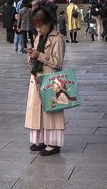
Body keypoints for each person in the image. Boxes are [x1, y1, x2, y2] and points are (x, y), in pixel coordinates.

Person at [25, 8, 66, 156]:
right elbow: (34, 58)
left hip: (50, 79)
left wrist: (40, 55)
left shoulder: (58, 39)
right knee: (37, 112)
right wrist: (31, 56)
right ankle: (40, 140)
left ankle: (53, 144)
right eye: (36, 26)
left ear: (49, 23)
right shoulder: (38, 37)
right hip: (36, 77)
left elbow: (58, 62)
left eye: (41, 25)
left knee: (51, 113)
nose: (39, 29)